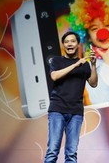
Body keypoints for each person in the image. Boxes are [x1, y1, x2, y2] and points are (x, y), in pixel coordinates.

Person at [44, 31, 98, 163]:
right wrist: (74, 65)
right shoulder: (57, 60)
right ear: (63, 45)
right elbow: (54, 76)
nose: (69, 44)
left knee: (71, 154)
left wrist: (93, 65)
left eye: (72, 41)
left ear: (77, 44)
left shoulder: (84, 65)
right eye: (66, 41)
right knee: (52, 151)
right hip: (57, 110)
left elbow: (94, 83)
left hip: (76, 113)